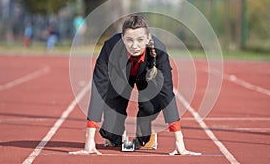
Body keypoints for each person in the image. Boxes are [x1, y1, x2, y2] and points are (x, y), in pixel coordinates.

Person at [72, 15, 198, 155]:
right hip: (120, 80)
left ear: (147, 38)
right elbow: (99, 88)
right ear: (122, 38)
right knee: (110, 132)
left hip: (147, 81)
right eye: (129, 40)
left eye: (140, 40)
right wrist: (89, 140)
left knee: (148, 116)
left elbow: (166, 92)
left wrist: (179, 141)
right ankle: (116, 133)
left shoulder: (159, 50)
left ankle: (143, 131)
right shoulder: (110, 47)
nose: (135, 46)